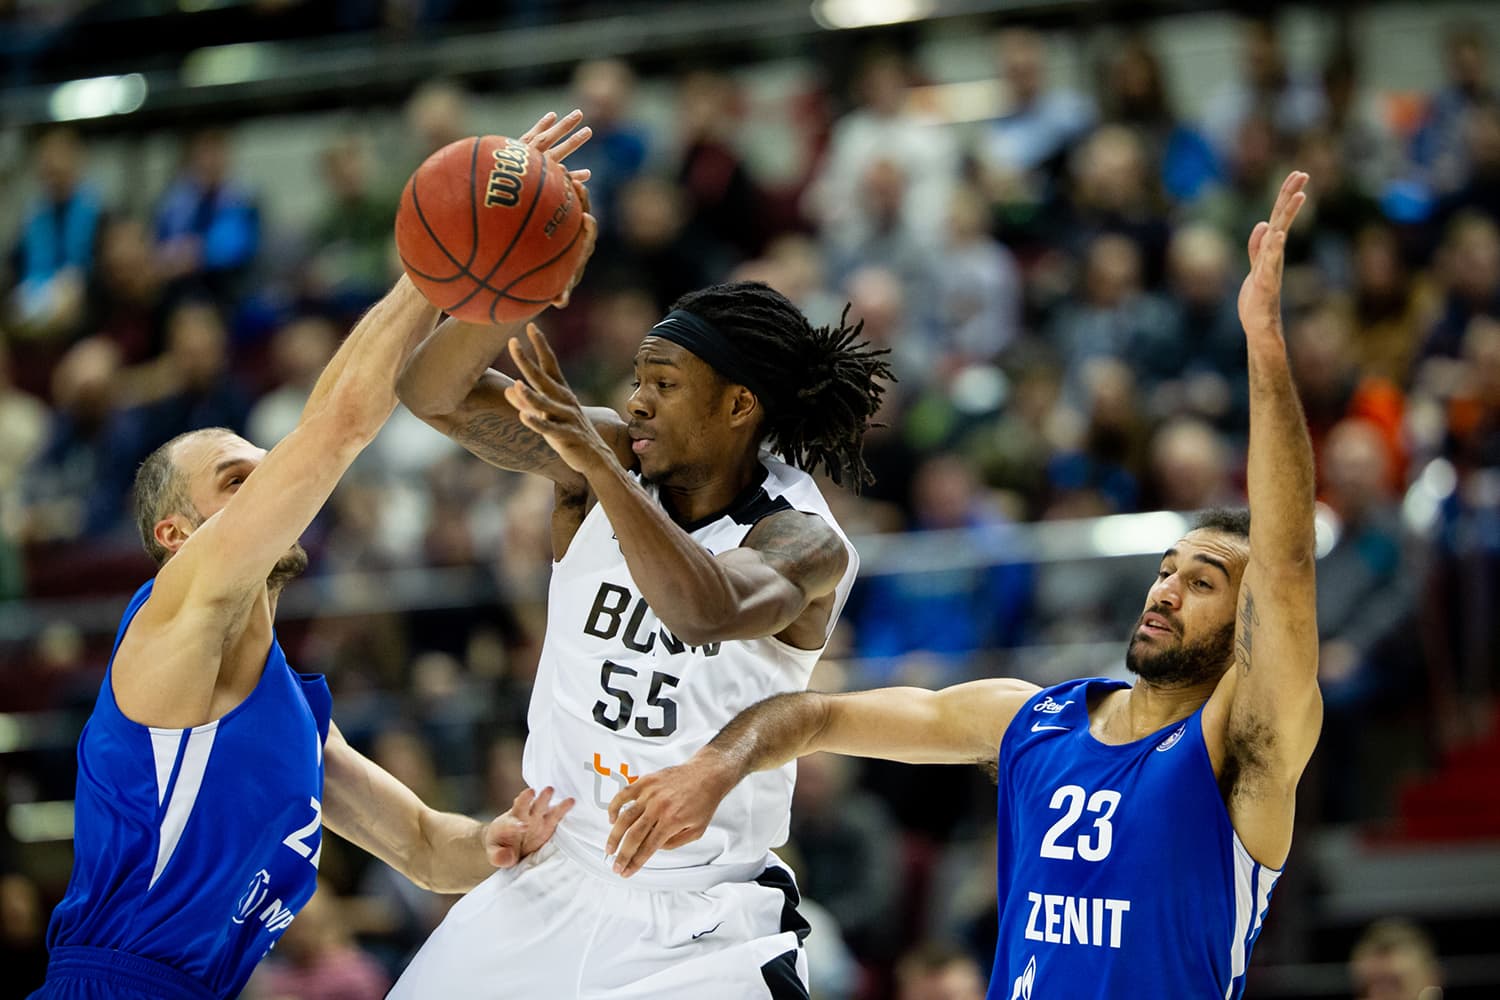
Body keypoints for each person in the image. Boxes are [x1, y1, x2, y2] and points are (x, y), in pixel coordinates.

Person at [607, 172, 1322, 999]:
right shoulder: (1034, 720)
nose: (1166, 591)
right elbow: (819, 715)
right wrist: (717, 765)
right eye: (1166, 571)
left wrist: (1265, 350)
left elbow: (1286, 568)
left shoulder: (1241, 749)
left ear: (1247, 627)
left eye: (1204, 583)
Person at [27, 112, 592, 1000]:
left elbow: (422, 845)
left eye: (267, 467)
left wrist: (495, 842)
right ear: (176, 536)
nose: (269, 482)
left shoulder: (291, 711)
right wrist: (450, 254)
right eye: (235, 478)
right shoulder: (176, 609)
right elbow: (334, 428)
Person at [391, 112, 894, 996]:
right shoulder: (613, 459)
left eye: (663, 384)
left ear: (738, 407)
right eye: (636, 381)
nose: (637, 403)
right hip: (550, 871)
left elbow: (703, 609)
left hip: (700, 917)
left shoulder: (802, 536)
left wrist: (597, 466)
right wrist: (523, 279)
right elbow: (429, 392)